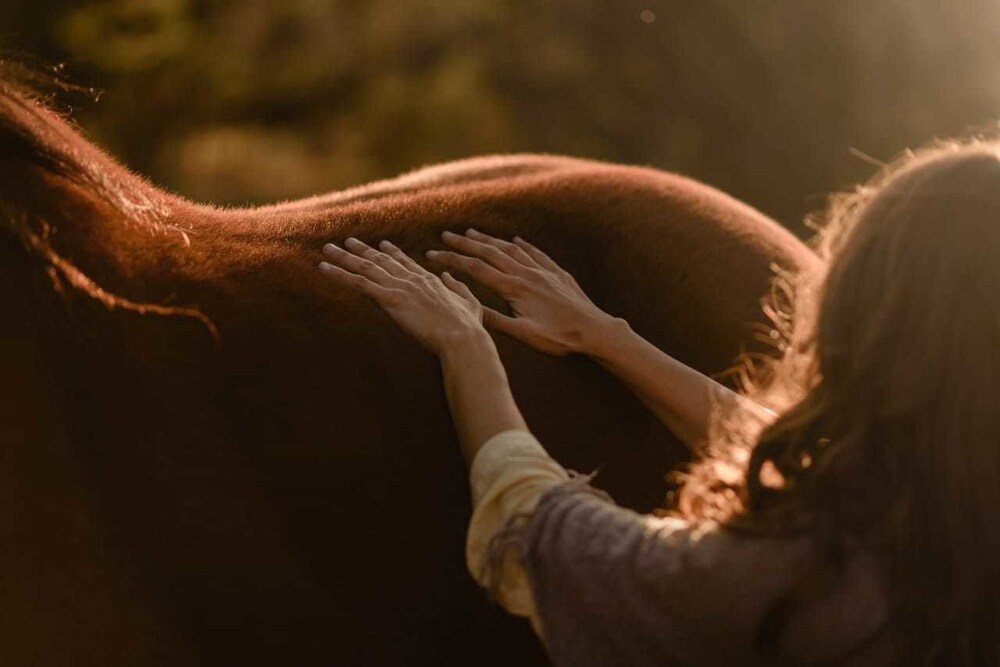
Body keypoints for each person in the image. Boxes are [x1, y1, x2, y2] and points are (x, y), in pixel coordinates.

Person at [317, 139, 1000, 666]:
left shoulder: (810, 576)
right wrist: (614, 340)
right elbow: (824, 464)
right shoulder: (955, 508)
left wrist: (467, 349)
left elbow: (547, 544)